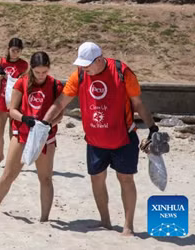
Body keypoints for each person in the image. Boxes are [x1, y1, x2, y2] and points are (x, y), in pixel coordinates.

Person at [41, 42, 158, 236]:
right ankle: (105, 222)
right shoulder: (80, 74)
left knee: (126, 179)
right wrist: (45, 122)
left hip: (123, 137)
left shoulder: (122, 72)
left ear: (100, 59)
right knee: (96, 179)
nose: (84, 68)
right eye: (82, 65)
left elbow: (138, 103)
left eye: (87, 64)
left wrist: (153, 128)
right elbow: (61, 101)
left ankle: (128, 226)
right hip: (95, 140)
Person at [0, 51, 64, 221]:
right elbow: (12, 110)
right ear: (31, 68)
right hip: (22, 133)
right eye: (37, 72)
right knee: (9, 174)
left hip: (45, 137)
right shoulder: (22, 82)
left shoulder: (55, 85)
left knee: (45, 178)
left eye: (45, 72)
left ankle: (44, 218)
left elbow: (60, 114)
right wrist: (25, 118)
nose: (41, 76)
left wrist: (48, 125)